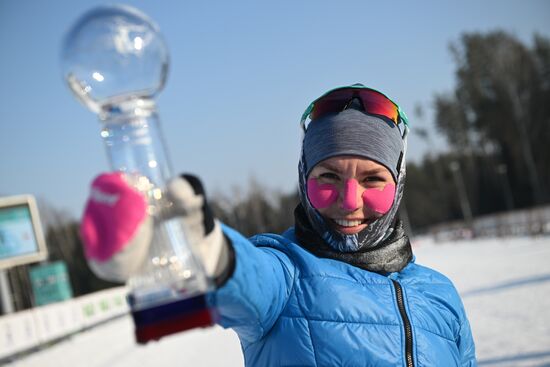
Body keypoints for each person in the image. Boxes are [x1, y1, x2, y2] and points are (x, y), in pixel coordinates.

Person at [81, 84, 477, 366]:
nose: (350, 200)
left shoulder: (440, 294)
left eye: (372, 179)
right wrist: (203, 246)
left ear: (398, 184)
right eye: (328, 178)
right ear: (304, 178)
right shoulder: (286, 276)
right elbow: (247, 276)